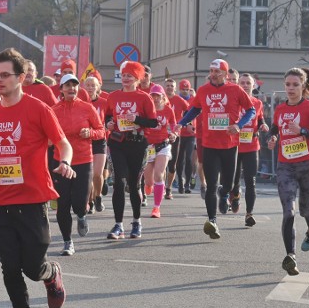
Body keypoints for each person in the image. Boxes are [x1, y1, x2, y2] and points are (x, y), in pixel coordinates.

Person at [0, 47, 70, 308]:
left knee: (31, 266)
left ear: (21, 77)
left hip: (32, 199)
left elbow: (62, 142)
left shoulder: (38, 108)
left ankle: (50, 272)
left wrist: (65, 162)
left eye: (4, 75)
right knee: (9, 267)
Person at [174, 59, 255, 239]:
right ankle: (212, 221)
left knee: (226, 183)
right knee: (211, 184)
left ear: (226, 74)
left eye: (217, 71)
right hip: (209, 144)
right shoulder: (203, 90)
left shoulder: (235, 89)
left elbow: (251, 111)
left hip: (229, 145)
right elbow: (194, 110)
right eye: (211, 70)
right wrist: (181, 123)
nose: (213, 74)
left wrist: (239, 125)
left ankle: (224, 192)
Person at [266, 68, 309, 275]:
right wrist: (272, 138)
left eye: (295, 85)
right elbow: (274, 128)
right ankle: (290, 256)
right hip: (285, 166)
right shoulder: (279, 109)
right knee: (289, 212)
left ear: (303, 86)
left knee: (305, 210)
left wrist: (302, 131)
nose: (291, 88)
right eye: (288, 85)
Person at [51, 72, 104, 255]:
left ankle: (81, 215)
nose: (72, 88)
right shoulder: (54, 110)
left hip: (83, 159)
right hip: (61, 161)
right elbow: (46, 134)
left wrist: (90, 133)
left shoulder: (87, 108)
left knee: (79, 202)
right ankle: (67, 242)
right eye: (68, 86)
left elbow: (101, 131)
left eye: (74, 85)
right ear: (62, 90)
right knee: (63, 203)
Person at [105, 61, 158, 239]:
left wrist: (136, 119)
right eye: (124, 75)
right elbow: (107, 116)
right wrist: (109, 124)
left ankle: (136, 222)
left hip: (138, 143)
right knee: (119, 183)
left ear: (137, 78)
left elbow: (153, 122)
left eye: (130, 76)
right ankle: (118, 225)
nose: (126, 79)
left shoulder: (144, 97)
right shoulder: (113, 97)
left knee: (134, 185)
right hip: (117, 143)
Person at [232, 73, 269, 226]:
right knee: (233, 181)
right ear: (238, 84)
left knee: (250, 181)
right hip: (233, 146)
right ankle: (234, 196)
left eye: (248, 83)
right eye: (243, 82)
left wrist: (263, 124)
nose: (245, 85)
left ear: (253, 86)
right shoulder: (233, 102)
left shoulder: (257, 103)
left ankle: (249, 214)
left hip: (252, 145)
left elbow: (260, 118)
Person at [142, 84, 177, 218]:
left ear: (163, 97)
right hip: (149, 147)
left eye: (158, 96)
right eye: (153, 95)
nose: (155, 98)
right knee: (149, 181)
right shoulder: (147, 109)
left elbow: (173, 124)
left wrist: (174, 133)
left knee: (159, 174)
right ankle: (149, 185)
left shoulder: (168, 110)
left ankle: (156, 208)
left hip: (163, 145)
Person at [83, 73, 109, 213]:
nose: (90, 88)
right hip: (84, 141)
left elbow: (111, 117)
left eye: (93, 85)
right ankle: (90, 201)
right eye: (87, 85)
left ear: (98, 87)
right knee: (89, 174)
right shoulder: (80, 103)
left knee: (97, 174)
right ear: (83, 87)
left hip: (100, 140)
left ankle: (98, 196)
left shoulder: (104, 103)